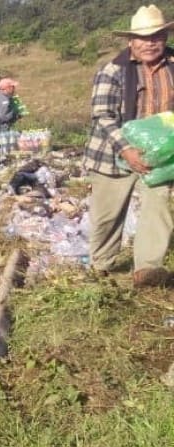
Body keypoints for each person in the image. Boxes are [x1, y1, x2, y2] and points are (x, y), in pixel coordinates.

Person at [86, 5, 174, 287]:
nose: (150, 43)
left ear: (165, 37)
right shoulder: (113, 70)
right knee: (107, 215)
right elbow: (102, 115)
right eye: (144, 38)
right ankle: (101, 265)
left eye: (157, 37)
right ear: (131, 41)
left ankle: (147, 270)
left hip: (158, 156)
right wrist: (127, 149)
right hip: (113, 153)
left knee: (157, 205)